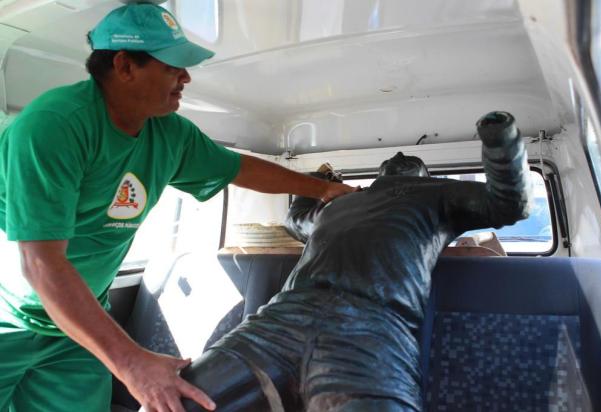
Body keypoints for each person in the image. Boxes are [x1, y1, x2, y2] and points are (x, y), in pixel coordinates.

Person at [0, 3, 356, 412]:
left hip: (77, 328)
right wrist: (133, 364)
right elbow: (42, 263)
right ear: (125, 66)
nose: (186, 77)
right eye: (173, 66)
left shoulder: (170, 134)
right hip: (7, 317)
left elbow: (238, 168)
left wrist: (324, 189)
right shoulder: (56, 126)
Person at [179, 111, 532, 412]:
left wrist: (501, 140)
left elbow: (509, 203)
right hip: (282, 317)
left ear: (425, 175)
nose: (396, 154)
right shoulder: (342, 202)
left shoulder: (438, 193)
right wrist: (320, 181)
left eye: (411, 161)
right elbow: (295, 219)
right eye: (390, 161)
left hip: (370, 329)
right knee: (176, 399)